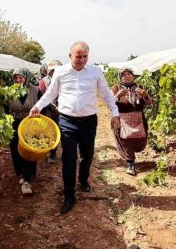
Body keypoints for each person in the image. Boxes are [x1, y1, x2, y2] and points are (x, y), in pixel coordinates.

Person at [30, 41, 120, 214]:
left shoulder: (95, 72)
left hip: (88, 122)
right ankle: (69, 195)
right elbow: (51, 93)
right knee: (68, 158)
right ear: (70, 55)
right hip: (67, 121)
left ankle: (83, 179)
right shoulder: (61, 72)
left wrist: (115, 113)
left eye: (85, 56)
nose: (82, 60)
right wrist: (37, 107)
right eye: (78, 56)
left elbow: (106, 94)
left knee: (87, 155)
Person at [6, 67, 42, 195]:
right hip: (14, 124)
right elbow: (5, 110)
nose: (18, 80)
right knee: (16, 150)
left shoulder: (36, 90)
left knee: (29, 150)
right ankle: (23, 173)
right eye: (15, 78)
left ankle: (27, 180)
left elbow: (43, 105)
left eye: (20, 77)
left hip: (31, 124)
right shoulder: (9, 92)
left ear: (26, 78)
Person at [111, 68, 153, 176]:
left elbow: (149, 103)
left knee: (141, 141)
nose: (127, 76)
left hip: (138, 118)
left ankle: (132, 157)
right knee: (125, 140)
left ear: (133, 76)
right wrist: (117, 96)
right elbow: (110, 103)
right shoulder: (116, 88)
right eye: (124, 75)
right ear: (120, 77)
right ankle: (130, 164)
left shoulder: (140, 88)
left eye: (129, 74)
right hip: (122, 119)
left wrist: (145, 95)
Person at [39, 59, 62, 163]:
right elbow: (42, 97)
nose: (54, 72)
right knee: (51, 132)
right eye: (52, 70)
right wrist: (53, 108)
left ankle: (63, 153)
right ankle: (51, 154)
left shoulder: (64, 79)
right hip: (48, 112)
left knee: (62, 132)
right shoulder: (43, 82)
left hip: (63, 111)